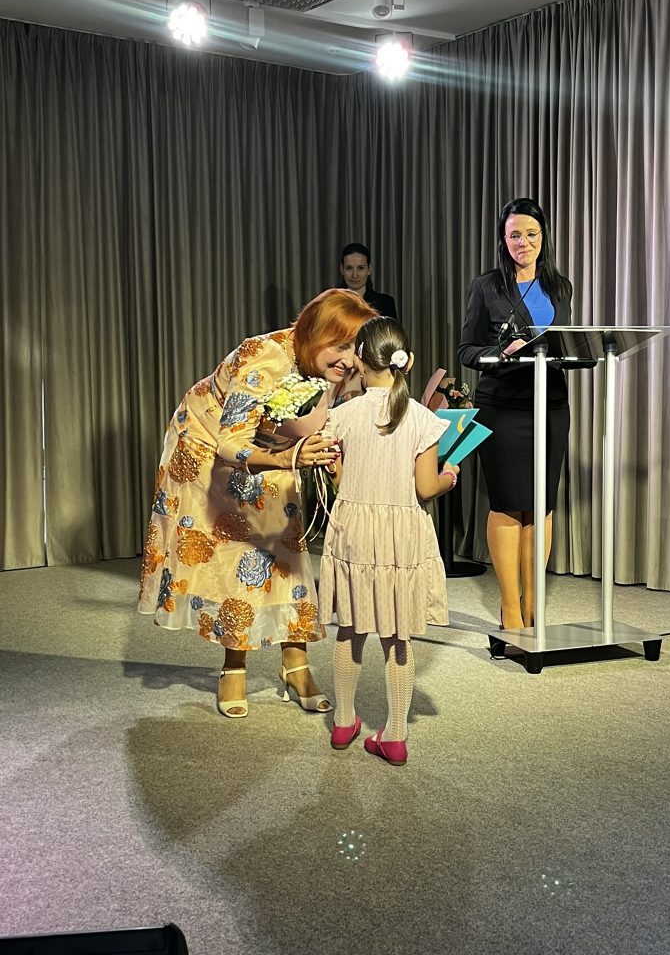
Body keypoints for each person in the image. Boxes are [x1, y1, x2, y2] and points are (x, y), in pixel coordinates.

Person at [138, 288, 377, 718]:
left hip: (275, 446)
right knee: (236, 553)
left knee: (286, 546)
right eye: (339, 346)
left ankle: (296, 664)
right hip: (208, 447)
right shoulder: (263, 356)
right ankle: (234, 666)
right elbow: (231, 444)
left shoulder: (335, 366)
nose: (347, 360)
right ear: (315, 332)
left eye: (353, 349)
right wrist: (288, 457)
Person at [318, 316, 459, 765]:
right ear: (407, 361)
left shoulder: (342, 415)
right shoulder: (422, 418)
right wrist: (450, 477)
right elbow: (425, 487)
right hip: (401, 538)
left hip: (355, 533)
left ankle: (344, 721)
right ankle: (395, 734)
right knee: (398, 636)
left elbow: (339, 481)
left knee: (350, 628)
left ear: (359, 360)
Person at [458, 198, 573, 631]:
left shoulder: (560, 286)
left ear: (543, 237)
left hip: (551, 405)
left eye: (531, 234)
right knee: (509, 506)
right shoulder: (486, 287)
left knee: (541, 506)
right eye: (514, 235)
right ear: (503, 240)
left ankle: (532, 603)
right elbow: (467, 350)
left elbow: (563, 341)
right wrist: (500, 352)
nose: (523, 242)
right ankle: (510, 607)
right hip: (502, 408)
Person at [339, 242, 398, 319]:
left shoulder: (386, 303)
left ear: (369, 269)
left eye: (361, 268)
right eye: (349, 268)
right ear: (342, 269)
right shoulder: (329, 303)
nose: (355, 275)